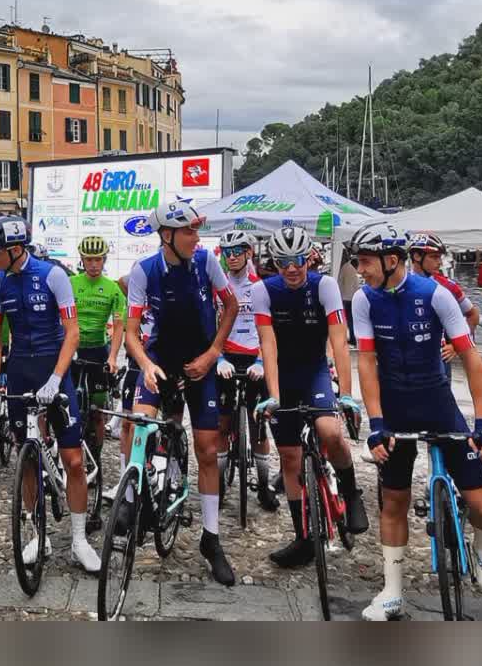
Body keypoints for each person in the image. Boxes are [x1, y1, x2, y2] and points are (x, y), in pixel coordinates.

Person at [349, 221, 482, 621]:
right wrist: (376, 422)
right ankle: (393, 590)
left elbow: (472, 359)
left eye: (364, 262)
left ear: (391, 259)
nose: (360, 270)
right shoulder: (364, 300)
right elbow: (365, 362)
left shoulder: (435, 294)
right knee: (394, 501)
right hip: (395, 406)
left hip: (437, 402)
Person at [123, 197, 241, 585]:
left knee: (207, 449)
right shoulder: (144, 271)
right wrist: (146, 364)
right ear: (167, 235)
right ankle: (130, 500)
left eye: (195, 230)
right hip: (160, 358)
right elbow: (131, 332)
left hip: (200, 362)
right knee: (140, 423)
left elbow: (232, 305)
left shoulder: (206, 262)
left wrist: (213, 354)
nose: (196, 237)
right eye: (189, 231)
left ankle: (211, 538)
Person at [0, 215, 100, 574]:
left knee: (73, 460)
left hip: (55, 369)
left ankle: (80, 540)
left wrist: (56, 377)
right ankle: (38, 533)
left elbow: (73, 332)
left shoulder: (53, 275)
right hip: (19, 371)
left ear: (15, 250)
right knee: (27, 458)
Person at [248, 225, 368, 570]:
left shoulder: (325, 285)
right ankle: (303, 538)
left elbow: (340, 341)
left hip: (315, 369)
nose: (291, 268)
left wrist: (346, 393)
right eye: (284, 261)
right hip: (283, 375)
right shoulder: (263, 291)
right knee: (289, 458)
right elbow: (267, 345)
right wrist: (272, 395)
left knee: (330, 431)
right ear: (275, 262)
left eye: (298, 260)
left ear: (309, 258)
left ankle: (350, 492)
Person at [213, 228, 278, 512]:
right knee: (221, 424)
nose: (232, 257)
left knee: (258, 428)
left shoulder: (261, 286)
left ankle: (264, 487)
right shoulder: (218, 285)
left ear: (248, 253)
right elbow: (210, 326)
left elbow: (269, 331)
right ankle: (217, 485)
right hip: (226, 357)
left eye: (238, 251)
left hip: (255, 359)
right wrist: (217, 360)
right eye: (227, 253)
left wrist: (263, 362)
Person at [66, 235, 124, 471]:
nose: (93, 264)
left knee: (97, 411)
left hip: (99, 350)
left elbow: (119, 324)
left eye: (97, 259)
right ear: (82, 259)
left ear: (104, 260)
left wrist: (112, 357)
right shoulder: (71, 284)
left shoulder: (112, 288)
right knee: (68, 406)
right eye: (88, 259)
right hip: (74, 347)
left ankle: (95, 458)